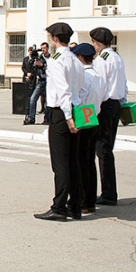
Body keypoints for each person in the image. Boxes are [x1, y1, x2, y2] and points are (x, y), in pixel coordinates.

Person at [34, 22, 85, 222]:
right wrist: (74, 113)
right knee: (74, 161)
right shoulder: (75, 59)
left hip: (61, 113)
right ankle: (75, 206)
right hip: (75, 109)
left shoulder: (56, 60)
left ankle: (59, 207)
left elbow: (62, 89)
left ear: (55, 38)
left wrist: (67, 116)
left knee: (60, 164)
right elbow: (79, 89)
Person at [90, 26, 127, 207]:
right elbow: (123, 83)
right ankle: (109, 191)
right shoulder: (117, 57)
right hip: (116, 104)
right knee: (107, 149)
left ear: (97, 43)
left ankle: (108, 193)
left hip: (105, 105)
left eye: (93, 42)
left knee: (102, 151)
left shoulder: (102, 60)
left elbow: (100, 86)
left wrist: (95, 109)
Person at [71, 43, 106, 214]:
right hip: (95, 117)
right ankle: (90, 200)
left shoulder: (83, 77)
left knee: (81, 162)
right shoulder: (98, 75)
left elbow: (78, 98)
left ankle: (83, 201)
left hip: (83, 117)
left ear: (79, 58)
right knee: (89, 162)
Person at [24, 44, 48, 125]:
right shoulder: (39, 58)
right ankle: (31, 118)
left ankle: (47, 119)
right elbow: (32, 66)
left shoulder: (53, 57)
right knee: (32, 98)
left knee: (48, 101)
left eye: (44, 48)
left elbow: (52, 67)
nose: (43, 50)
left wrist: (42, 65)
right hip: (40, 81)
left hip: (49, 81)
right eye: (42, 48)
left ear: (47, 48)